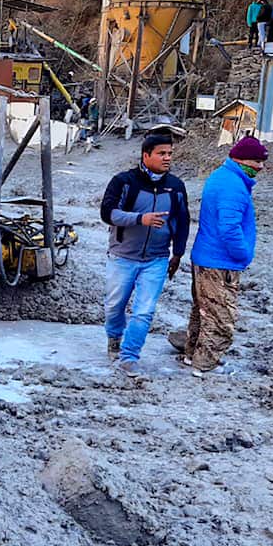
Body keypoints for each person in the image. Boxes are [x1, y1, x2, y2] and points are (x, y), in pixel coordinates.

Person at [100, 132, 191, 379]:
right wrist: (140, 219)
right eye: (162, 153)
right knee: (114, 306)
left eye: (170, 153)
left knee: (144, 311)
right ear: (146, 155)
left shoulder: (176, 187)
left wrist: (178, 253)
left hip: (156, 259)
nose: (167, 158)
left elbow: (183, 221)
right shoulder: (124, 182)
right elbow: (108, 213)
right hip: (122, 257)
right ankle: (114, 338)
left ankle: (129, 357)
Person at [172, 136, 266, 374]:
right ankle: (204, 367)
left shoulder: (223, 177)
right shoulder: (232, 186)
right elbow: (229, 228)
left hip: (207, 258)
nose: (260, 166)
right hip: (220, 262)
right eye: (256, 161)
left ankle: (192, 356)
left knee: (202, 313)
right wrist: (243, 255)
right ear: (239, 159)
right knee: (221, 320)